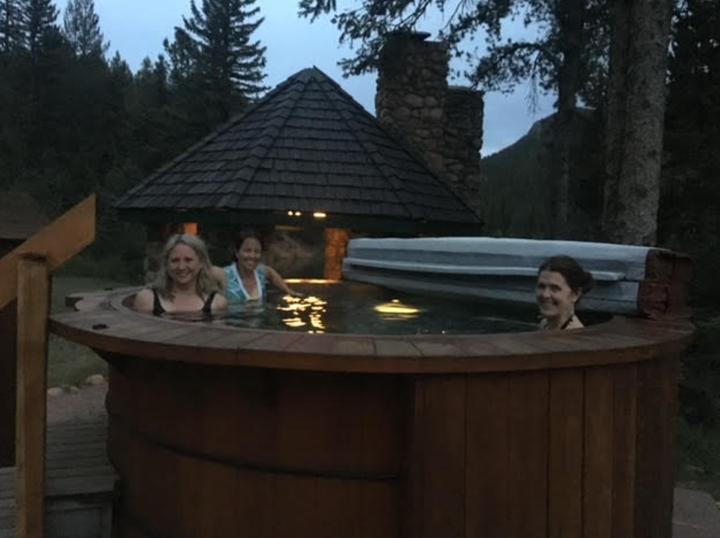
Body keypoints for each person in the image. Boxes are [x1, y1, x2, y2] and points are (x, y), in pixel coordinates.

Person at [134, 234, 228, 316]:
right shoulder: (147, 299)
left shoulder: (217, 303)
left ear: (201, 263)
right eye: (175, 260)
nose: (181, 267)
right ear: (166, 264)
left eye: (188, 260)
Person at [219, 229, 302, 303]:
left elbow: (271, 273)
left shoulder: (260, 272)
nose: (252, 256)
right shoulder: (224, 275)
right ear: (237, 252)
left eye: (257, 251)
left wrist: (289, 292)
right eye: (247, 251)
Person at [536, 255, 594, 330]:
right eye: (541, 286)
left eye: (555, 288)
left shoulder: (574, 337)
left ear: (575, 294)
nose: (545, 294)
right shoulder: (544, 325)